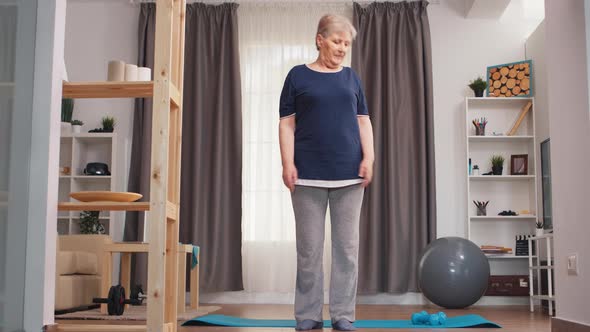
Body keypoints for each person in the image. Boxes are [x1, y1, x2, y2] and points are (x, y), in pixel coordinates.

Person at [278, 14, 375, 332]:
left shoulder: (352, 78)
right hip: (306, 175)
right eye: (337, 41)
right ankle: (307, 314)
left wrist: (369, 158)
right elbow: (286, 124)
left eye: (347, 44)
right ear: (319, 39)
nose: (342, 48)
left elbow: (363, 121)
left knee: (347, 250)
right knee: (308, 249)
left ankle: (343, 314)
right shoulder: (297, 76)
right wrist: (287, 163)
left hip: (349, 175)